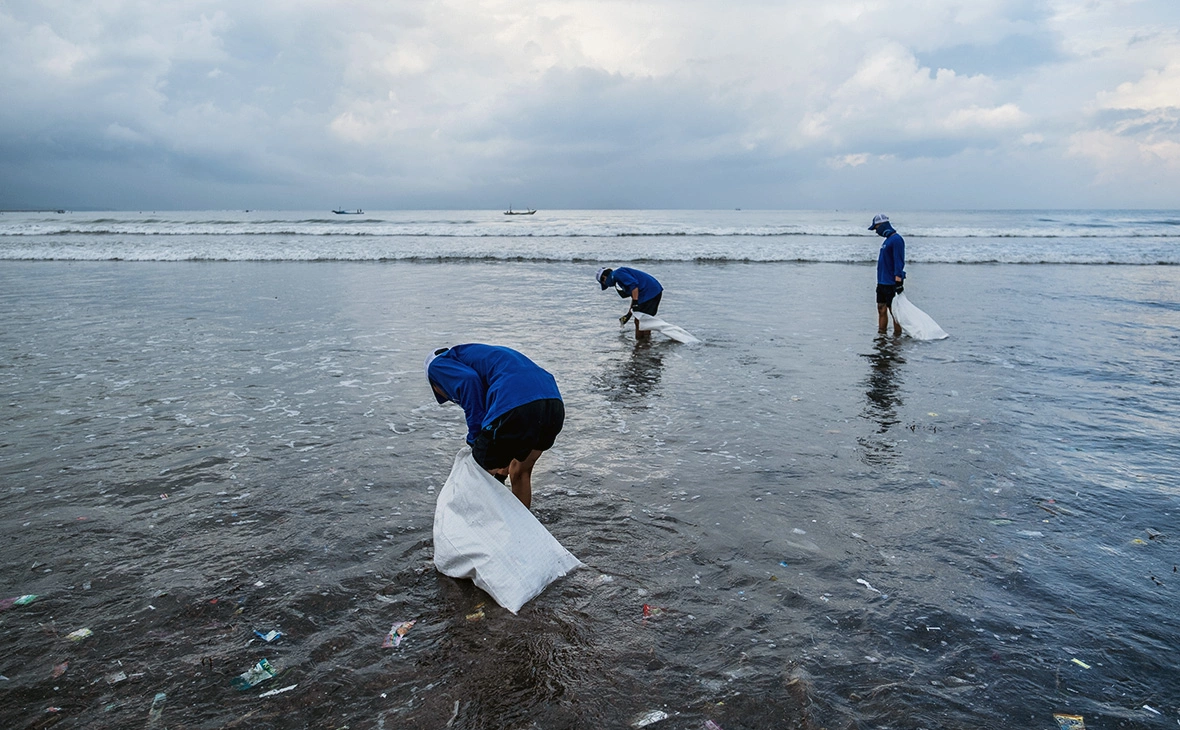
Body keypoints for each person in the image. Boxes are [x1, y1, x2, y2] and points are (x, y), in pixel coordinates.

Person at [424, 344, 563, 509]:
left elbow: (469, 382)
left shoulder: (436, 365)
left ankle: (479, 530)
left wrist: (475, 438)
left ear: (435, 385)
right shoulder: (479, 355)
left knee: (478, 474)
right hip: (553, 403)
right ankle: (522, 530)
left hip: (517, 403)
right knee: (520, 472)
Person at [595, 266, 663, 339]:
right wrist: (629, 314)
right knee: (645, 320)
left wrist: (636, 303)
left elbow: (634, 286)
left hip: (649, 292)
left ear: (604, 277)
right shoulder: (618, 278)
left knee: (639, 321)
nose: (608, 285)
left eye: (605, 284)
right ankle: (645, 341)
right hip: (652, 291)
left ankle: (639, 343)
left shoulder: (618, 274)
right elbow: (634, 296)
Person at [868, 214, 906, 335]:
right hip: (882, 282)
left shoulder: (896, 239)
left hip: (891, 282)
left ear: (882, 225)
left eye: (876, 228)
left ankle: (897, 336)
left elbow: (899, 261)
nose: (876, 231)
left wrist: (898, 280)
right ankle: (882, 334)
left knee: (894, 311)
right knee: (881, 308)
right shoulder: (887, 241)